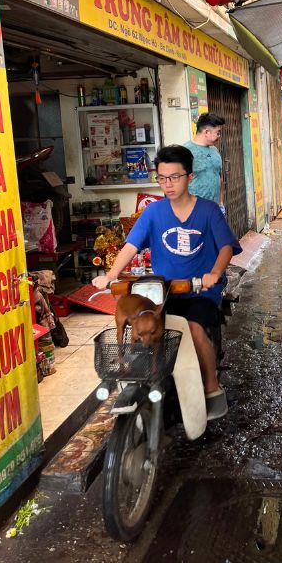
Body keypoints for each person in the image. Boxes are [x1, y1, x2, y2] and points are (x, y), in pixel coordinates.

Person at [92, 145, 241, 420]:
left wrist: (214, 273)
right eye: (162, 178)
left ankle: (211, 388)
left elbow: (226, 248)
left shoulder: (209, 211)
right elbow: (131, 245)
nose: (168, 184)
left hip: (200, 291)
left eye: (174, 177)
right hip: (163, 293)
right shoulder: (153, 212)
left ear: (190, 177)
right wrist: (111, 275)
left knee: (194, 328)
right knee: (143, 329)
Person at [183, 112, 226, 212]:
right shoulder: (186, 151)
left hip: (214, 209)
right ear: (207, 132)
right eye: (218, 133)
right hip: (194, 210)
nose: (219, 136)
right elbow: (180, 182)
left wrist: (221, 203)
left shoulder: (214, 150)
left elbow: (219, 177)